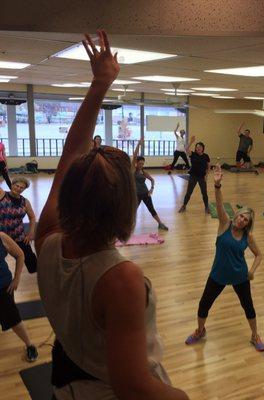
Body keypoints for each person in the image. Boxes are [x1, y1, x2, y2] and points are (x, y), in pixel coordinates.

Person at [35, 30, 189, 400]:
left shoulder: (48, 241)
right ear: (124, 204)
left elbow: (69, 157)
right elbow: (133, 387)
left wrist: (100, 84)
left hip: (68, 383)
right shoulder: (120, 278)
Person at [185, 165, 264, 352]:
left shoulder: (248, 237)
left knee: (249, 307)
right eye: (241, 216)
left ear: (248, 224)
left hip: (240, 276)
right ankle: (200, 330)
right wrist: (217, 185)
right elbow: (219, 204)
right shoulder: (224, 224)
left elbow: (259, 255)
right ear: (236, 214)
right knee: (204, 304)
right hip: (218, 275)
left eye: (246, 220)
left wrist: (251, 271)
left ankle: (255, 335)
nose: (242, 220)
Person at [0, 231, 38, 362]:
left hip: (3, 286)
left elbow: (20, 255)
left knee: (13, 318)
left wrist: (16, 279)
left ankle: (30, 345)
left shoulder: (1, 237)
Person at [0, 177, 38, 274]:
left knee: (30, 257)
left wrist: (30, 233)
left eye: (22, 187)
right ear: (12, 185)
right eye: (17, 186)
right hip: (2, 237)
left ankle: (37, 274)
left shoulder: (25, 202)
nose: (18, 188)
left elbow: (32, 217)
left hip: (18, 235)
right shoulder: (3, 195)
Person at [132, 139, 168, 230]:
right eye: (140, 163)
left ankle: (160, 224)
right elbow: (135, 156)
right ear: (136, 163)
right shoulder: (133, 170)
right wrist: (138, 145)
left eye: (142, 164)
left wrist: (152, 189)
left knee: (151, 209)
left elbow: (152, 180)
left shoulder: (144, 172)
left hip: (145, 194)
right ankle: (127, 226)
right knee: (132, 212)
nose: (141, 165)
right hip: (136, 195)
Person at [178, 135, 210, 213]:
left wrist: (206, 175)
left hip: (202, 177)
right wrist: (191, 142)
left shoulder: (206, 156)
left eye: (200, 147)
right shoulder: (193, 154)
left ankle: (206, 207)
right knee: (189, 192)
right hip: (193, 176)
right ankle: (184, 206)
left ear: (203, 148)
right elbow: (186, 149)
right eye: (197, 147)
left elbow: (208, 167)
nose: (198, 148)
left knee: (204, 193)